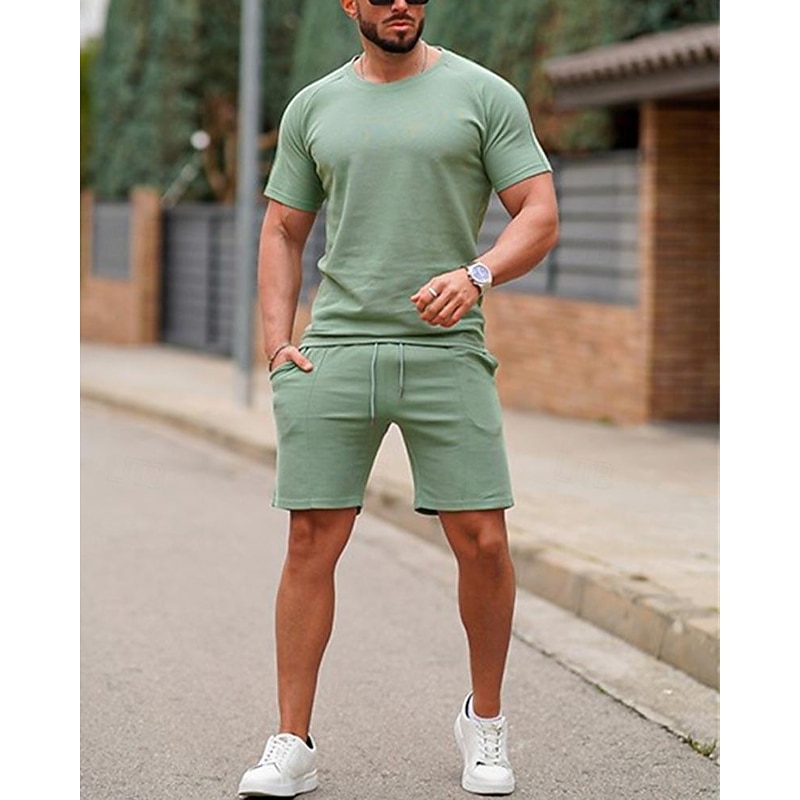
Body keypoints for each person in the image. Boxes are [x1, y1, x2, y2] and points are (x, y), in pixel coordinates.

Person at [237, 0, 559, 796]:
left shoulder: (482, 94)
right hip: (336, 350)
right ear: (352, 4)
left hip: (448, 347)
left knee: (483, 540)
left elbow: (540, 213)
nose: (401, 5)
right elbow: (282, 229)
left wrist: (478, 273)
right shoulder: (315, 106)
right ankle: (292, 742)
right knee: (310, 541)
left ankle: (485, 723)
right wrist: (276, 343)